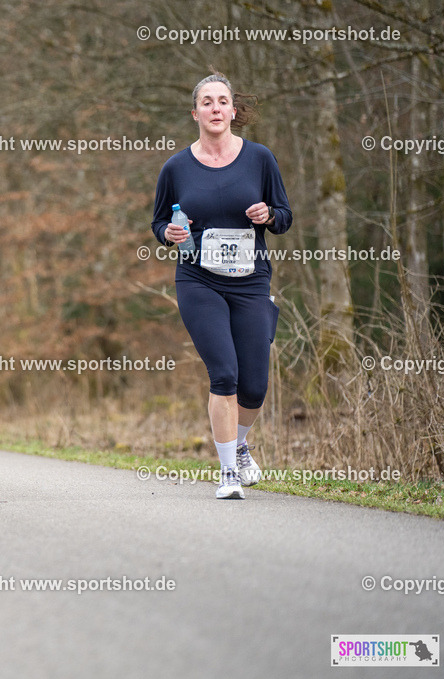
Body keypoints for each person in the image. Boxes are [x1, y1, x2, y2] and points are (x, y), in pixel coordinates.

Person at [151, 72, 292, 500]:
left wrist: (268, 216)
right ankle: (228, 473)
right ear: (195, 113)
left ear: (234, 111)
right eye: (207, 102)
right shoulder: (176, 167)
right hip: (198, 280)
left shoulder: (259, 159)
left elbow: (284, 217)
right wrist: (168, 235)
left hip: (251, 282)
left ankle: (241, 444)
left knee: (254, 386)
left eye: (222, 101)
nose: (215, 108)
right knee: (225, 374)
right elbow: (158, 221)